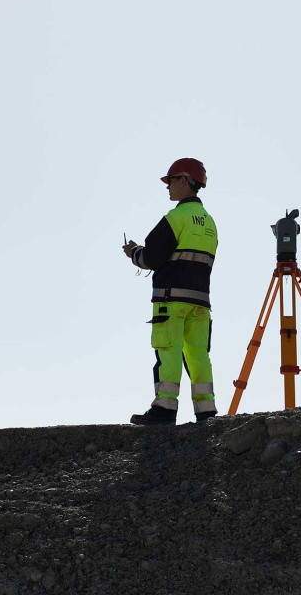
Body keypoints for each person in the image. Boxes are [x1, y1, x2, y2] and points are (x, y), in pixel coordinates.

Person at [122, 158, 219, 425]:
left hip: (171, 300)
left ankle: (164, 409)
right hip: (200, 302)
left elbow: (151, 259)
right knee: (198, 355)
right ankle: (206, 412)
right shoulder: (210, 223)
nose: (167, 187)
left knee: (168, 350)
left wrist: (133, 253)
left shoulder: (175, 218)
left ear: (186, 181)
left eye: (171, 180)